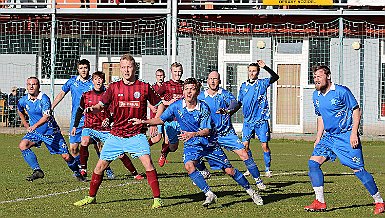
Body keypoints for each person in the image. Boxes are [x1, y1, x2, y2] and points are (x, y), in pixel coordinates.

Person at [131, 78, 263, 207]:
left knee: (229, 170)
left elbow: (206, 130)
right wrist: (144, 122)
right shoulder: (176, 106)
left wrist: (192, 134)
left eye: (192, 89)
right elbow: (160, 120)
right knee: (189, 166)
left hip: (208, 143)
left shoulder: (203, 107)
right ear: (183, 91)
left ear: (197, 92)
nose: (188, 92)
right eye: (186, 89)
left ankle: (251, 191)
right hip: (192, 144)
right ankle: (209, 193)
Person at [74, 54, 164, 209]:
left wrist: (153, 121)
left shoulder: (144, 87)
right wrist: (92, 108)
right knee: (99, 167)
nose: (126, 70)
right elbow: (101, 105)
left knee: (148, 163)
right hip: (116, 134)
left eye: (129, 66)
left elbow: (160, 104)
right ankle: (91, 197)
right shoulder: (114, 87)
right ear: (120, 69)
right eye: (123, 67)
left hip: (136, 135)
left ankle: (157, 199)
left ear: (135, 67)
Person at [304, 65, 385, 215]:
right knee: (313, 164)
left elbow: (356, 110)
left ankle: (379, 201)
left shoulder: (341, 91)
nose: (316, 79)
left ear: (328, 76)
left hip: (345, 136)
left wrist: (354, 133)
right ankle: (320, 201)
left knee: (358, 170)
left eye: (319, 76)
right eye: (314, 77)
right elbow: (320, 117)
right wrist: (318, 137)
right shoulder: (316, 96)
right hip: (328, 137)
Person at [197, 71, 266, 190]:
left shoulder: (224, 94)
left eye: (216, 79)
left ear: (220, 81)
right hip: (209, 136)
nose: (213, 81)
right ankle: (204, 171)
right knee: (193, 153)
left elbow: (235, 103)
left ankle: (258, 180)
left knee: (244, 153)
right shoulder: (201, 97)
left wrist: (228, 110)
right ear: (207, 81)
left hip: (226, 133)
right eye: (211, 79)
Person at [73, 71, 144, 181]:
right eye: (96, 79)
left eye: (100, 79)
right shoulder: (86, 95)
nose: (98, 81)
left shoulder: (108, 95)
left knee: (120, 153)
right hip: (89, 127)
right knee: (84, 141)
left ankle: (134, 173)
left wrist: (108, 119)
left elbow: (115, 112)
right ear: (92, 81)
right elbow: (80, 110)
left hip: (104, 130)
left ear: (103, 81)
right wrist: (74, 126)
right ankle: (83, 169)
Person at [17, 77, 83, 181]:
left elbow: (46, 117)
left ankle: (77, 172)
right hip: (35, 133)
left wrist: (34, 126)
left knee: (66, 157)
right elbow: (19, 110)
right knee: (23, 145)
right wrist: (26, 125)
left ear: (38, 86)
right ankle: (37, 170)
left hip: (50, 132)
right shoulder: (23, 100)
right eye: (29, 84)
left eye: (34, 84)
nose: (31, 86)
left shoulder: (44, 99)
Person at [239, 60, 279, 178]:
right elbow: (239, 102)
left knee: (264, 146)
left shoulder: (262, 83)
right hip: (247, 121)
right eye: (250, 71)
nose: (251, 73)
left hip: (261, 120)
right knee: (244, 146)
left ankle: (267, 169)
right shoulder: (243, 86)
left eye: (254, 71)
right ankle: (249, 168)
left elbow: (276, 77)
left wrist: (265, 66)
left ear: (258, 72)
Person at [157, 62, 184, 167]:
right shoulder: (166, 85)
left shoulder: (184, 85)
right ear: (171, 72)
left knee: (191, 140)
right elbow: (155, 99)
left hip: (183, 120)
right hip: (171, 121)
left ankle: (193, 161)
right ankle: (164, 152)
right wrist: (168, 102)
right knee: (173, 147)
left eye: (179, 72)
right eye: (175, 72)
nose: (177, 74)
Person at [148, 69, 166, 147]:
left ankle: (163, 157)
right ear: (156, 77)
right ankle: (144, 147)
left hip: (166, 115)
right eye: (158, 76)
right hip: (156, 116)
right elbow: (146, 100)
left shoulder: (166, 87)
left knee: (167, 140)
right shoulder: (152, 88)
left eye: (161, 75)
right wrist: (151, 106)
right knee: (157, 138)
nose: (160, 77)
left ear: (164, 76)